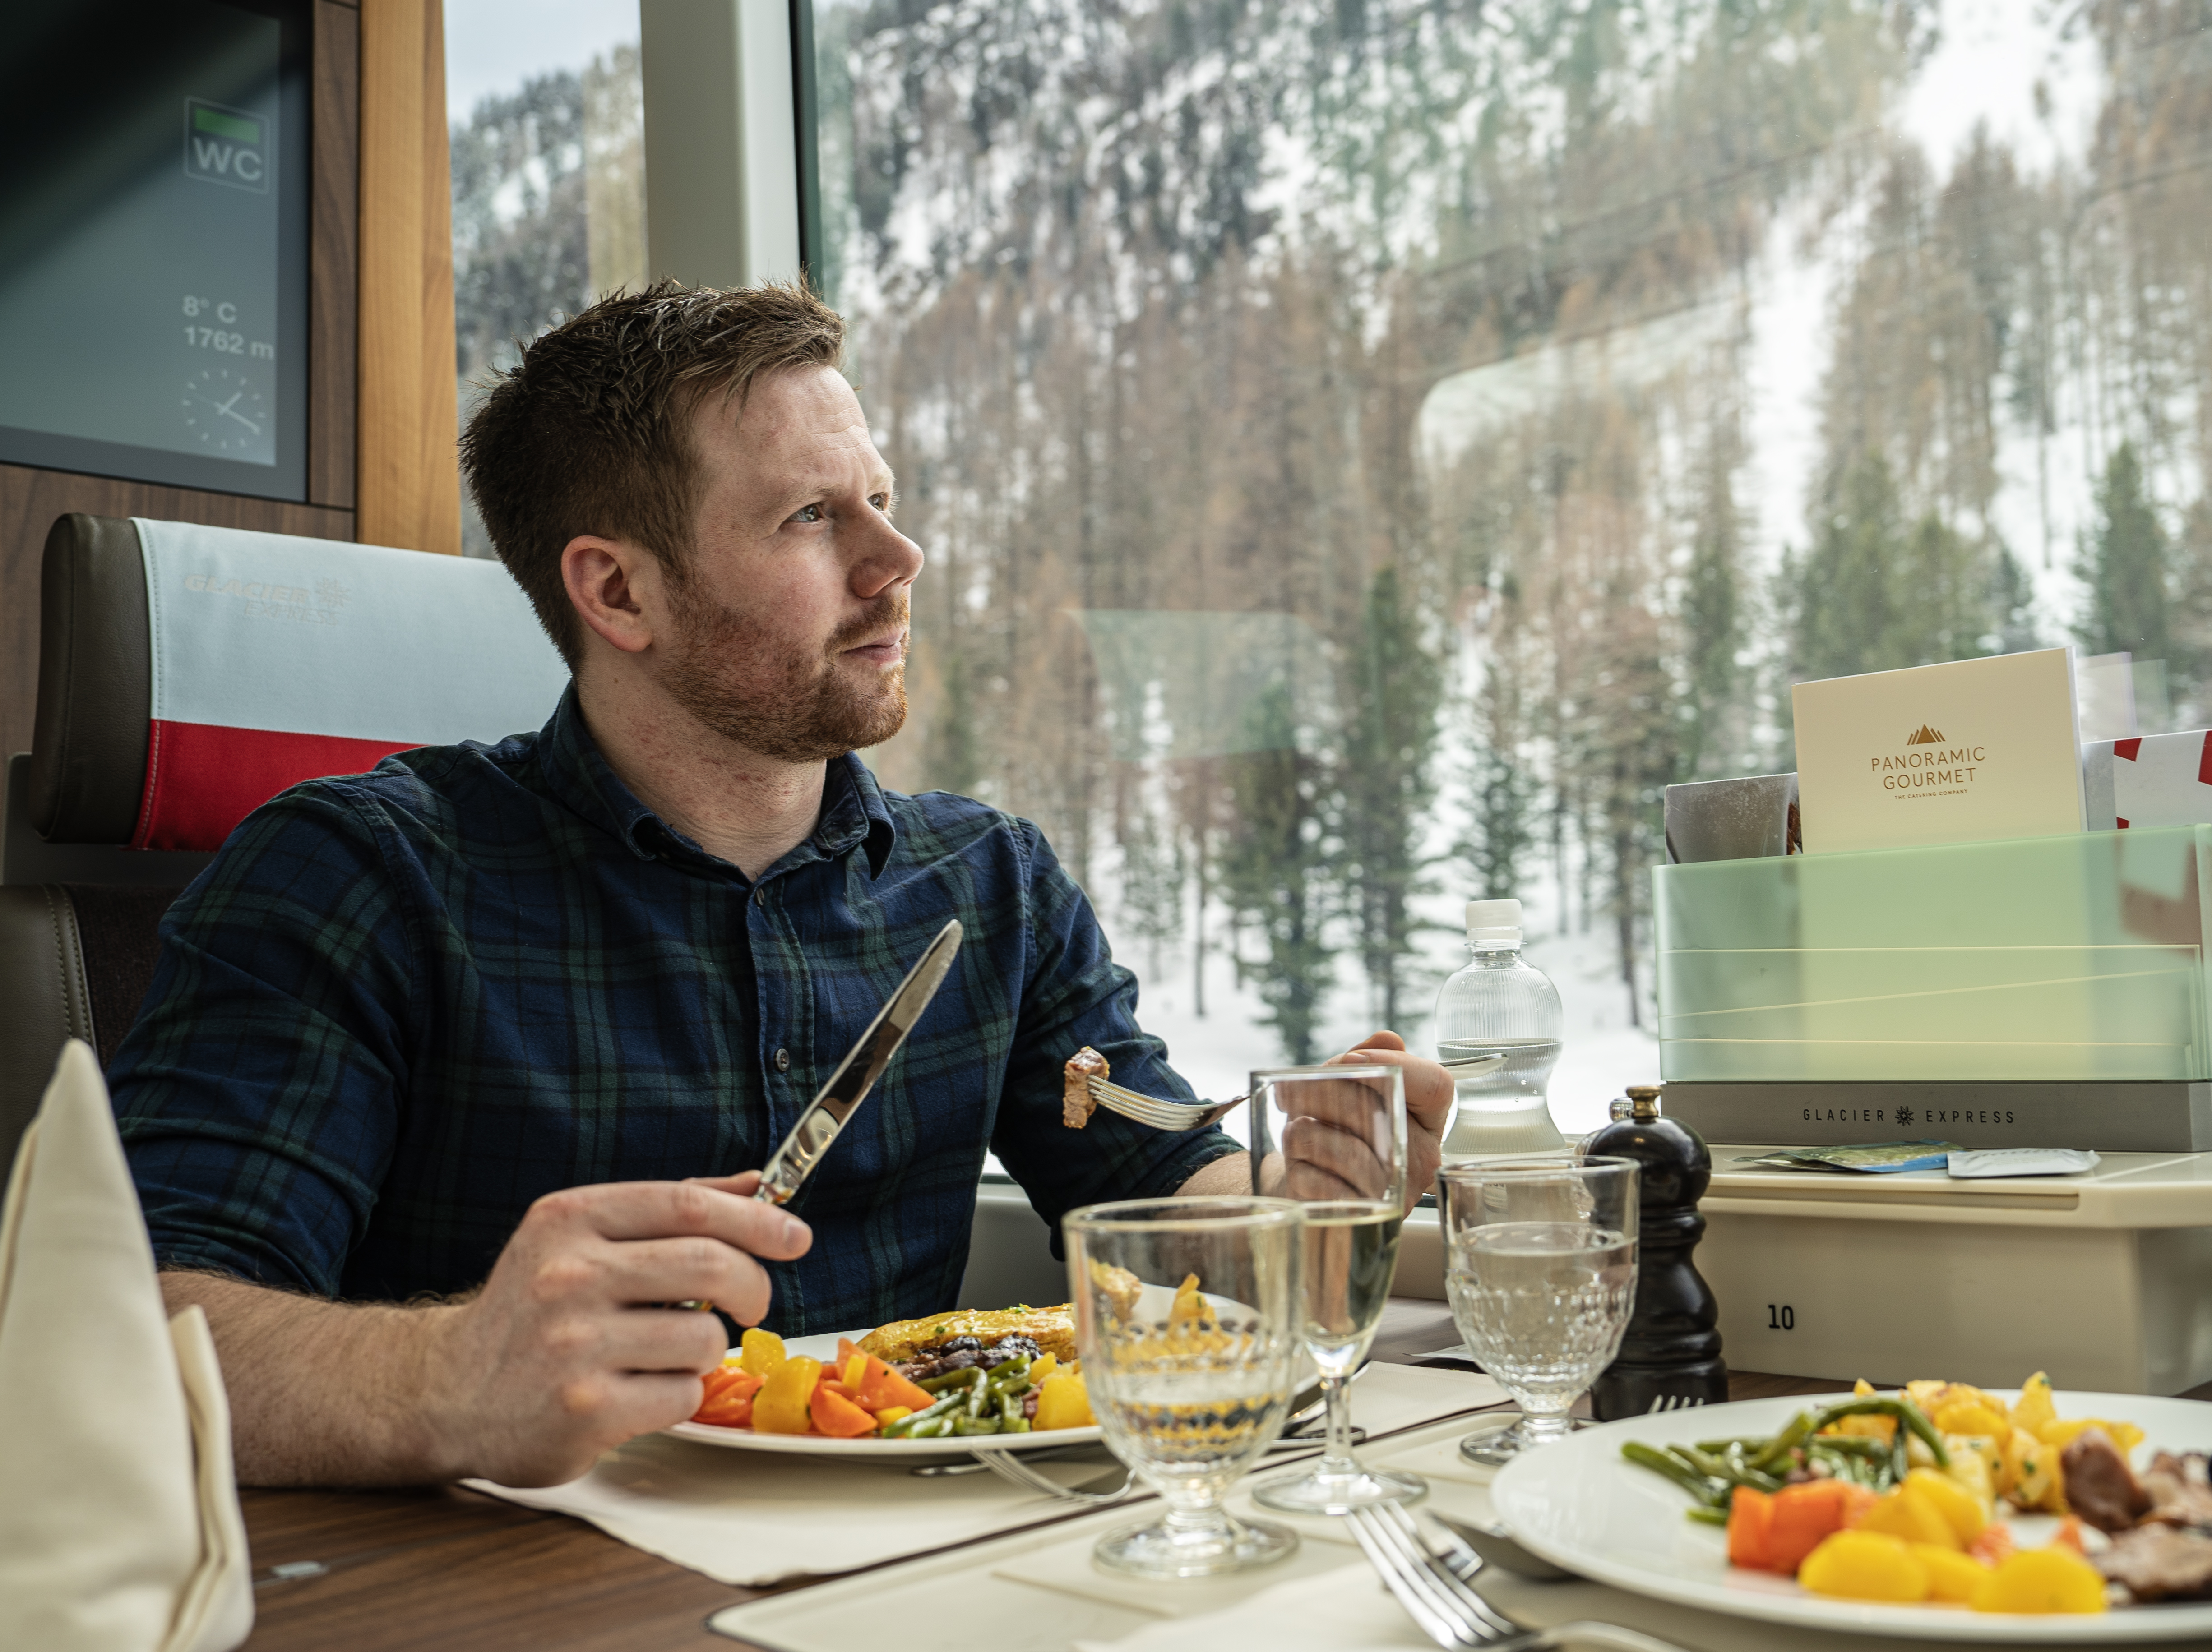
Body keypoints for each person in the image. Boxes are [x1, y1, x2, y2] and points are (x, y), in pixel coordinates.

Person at [111, 281, 1452, 1489]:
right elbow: (140, 1340)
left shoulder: (989, 884)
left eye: (881, 497)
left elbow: (1165, 1182)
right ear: (620, 590)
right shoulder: (356, 877)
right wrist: (453, 1376)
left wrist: (1312, 1203)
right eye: (814, 516)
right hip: (532, 1589)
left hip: (924, 1564)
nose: (897, 558)